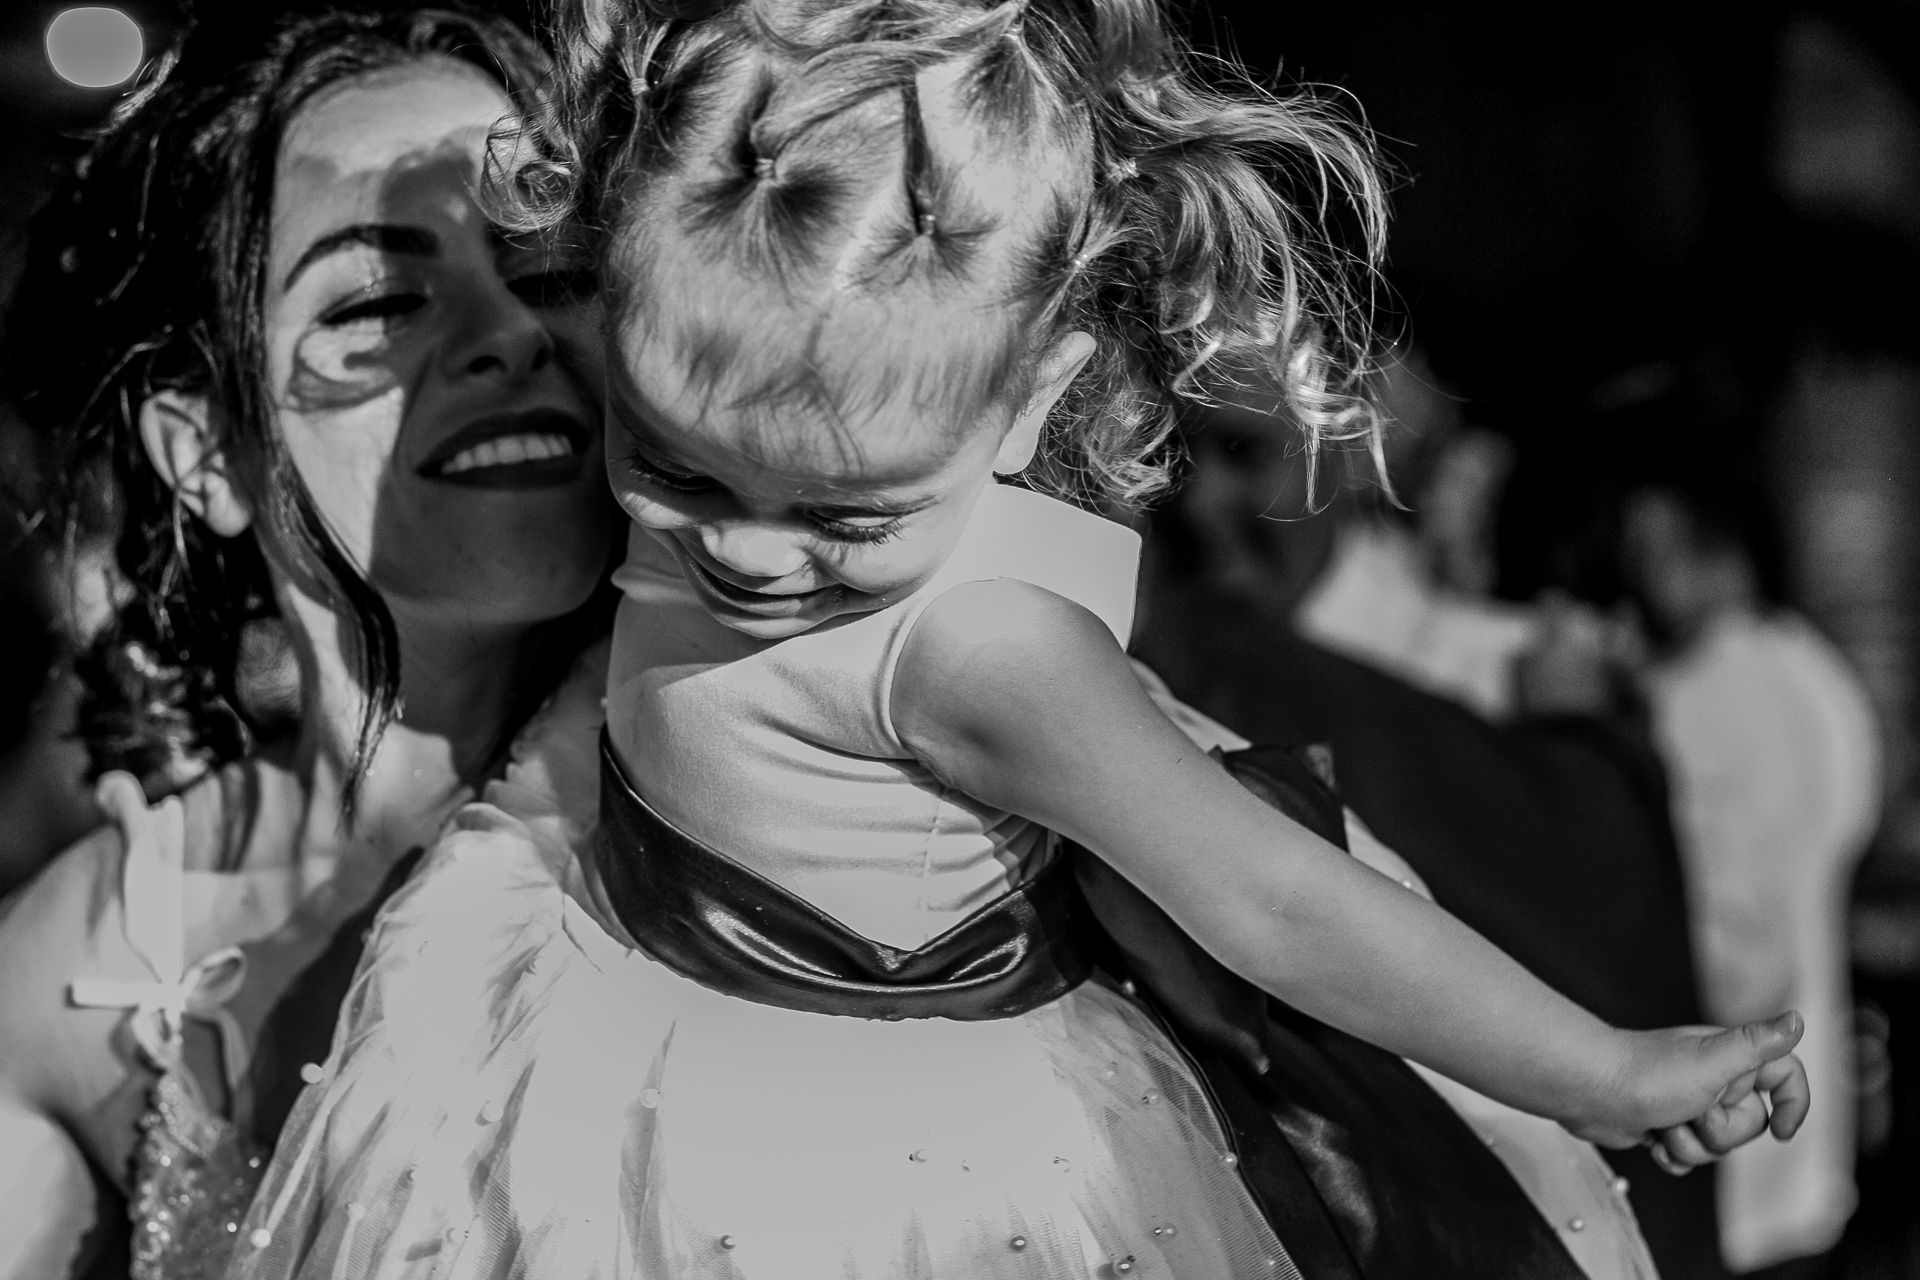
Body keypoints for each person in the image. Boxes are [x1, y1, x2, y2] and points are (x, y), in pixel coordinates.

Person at [232, 3, 1806, 1277]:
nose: (745, 552)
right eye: (672, 469)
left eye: (846, 519)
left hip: (861, 1187)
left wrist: (1602, 1071)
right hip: (590, 1001)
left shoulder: (980, 654)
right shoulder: (740, 353)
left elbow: (1277, 907)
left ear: (1039, 393)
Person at [0, 8, 618, 1277]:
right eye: (385, 297)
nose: (511, 331)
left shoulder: (814, 803)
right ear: (207, 449)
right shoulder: (93, 961)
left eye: (550, 263)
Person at [1624, 474, 1882, 1278]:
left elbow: (1738, 967)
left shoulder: (1703, 690)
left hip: (1728, 1165)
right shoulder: (1816, 672)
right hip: (1802, 1159)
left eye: (1649, 550)